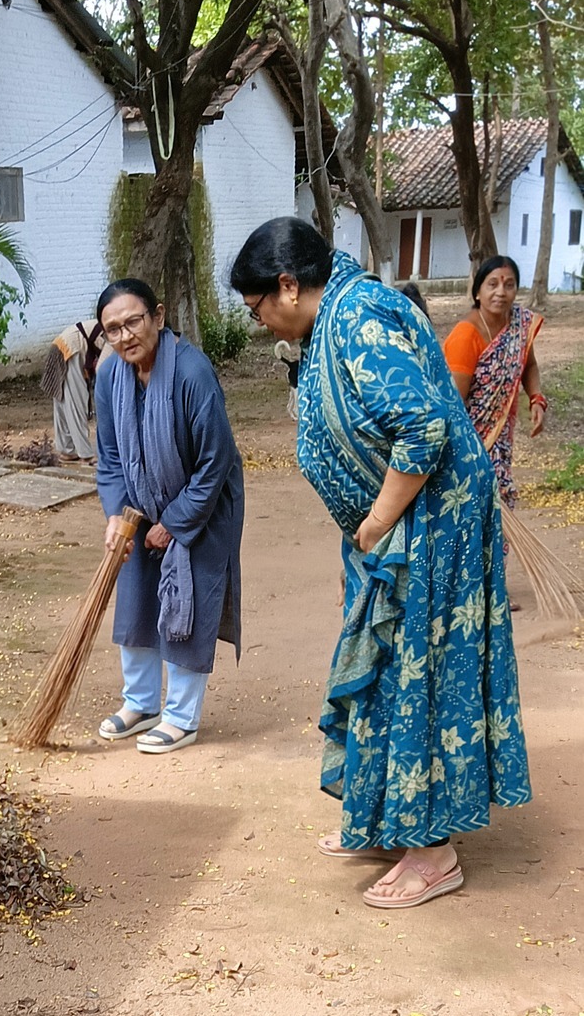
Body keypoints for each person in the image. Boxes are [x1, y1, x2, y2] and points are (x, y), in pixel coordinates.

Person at [230, 218, 531, 909]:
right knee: (379, 669)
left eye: (259, 310)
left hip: (429, 522)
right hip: (393, 525)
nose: (261, 325)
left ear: (286, 284)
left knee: (410, 672)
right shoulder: (329, 316)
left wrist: (374, 520)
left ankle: (432, 851)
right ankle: (384, 818)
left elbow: (422, 425)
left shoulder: (356, 312)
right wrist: (364, 533)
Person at [93, 279, 244, 754]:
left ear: (157, 316)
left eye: (132, 321)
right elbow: (110, 456)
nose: (124, 336)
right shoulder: (108, 375)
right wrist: (119, 514)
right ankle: (141, 703)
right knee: (136, 600)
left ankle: (182, 716)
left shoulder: (192, 373)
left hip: (204, 504)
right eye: (112, 329)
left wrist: (175, 522)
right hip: (139, 504)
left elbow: (214, 462)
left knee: (187, 605)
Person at [442, 255, 546, 514]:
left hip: (501, 437)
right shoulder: (466, 336)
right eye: (493, 284)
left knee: (495, 509)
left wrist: (537, 398)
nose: (501, 292)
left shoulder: (519, 326)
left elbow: (529, 365)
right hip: (468, 444)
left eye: (509, 285)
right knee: (476, 509)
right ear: (478, 292)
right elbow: (453, 407)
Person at [40, 319, 107, 462]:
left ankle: (67, 450)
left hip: (61, 345)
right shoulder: (115, 335)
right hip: (72, 349)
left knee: (63, 400)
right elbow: (103, 367)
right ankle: (86, 454)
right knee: (76, 403)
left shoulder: (111, 328)